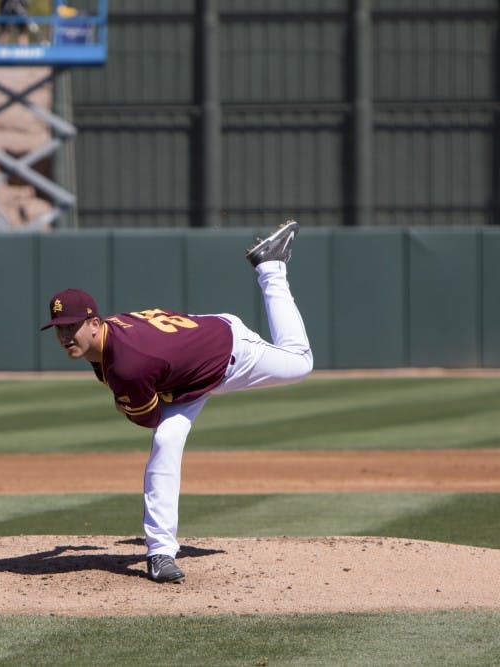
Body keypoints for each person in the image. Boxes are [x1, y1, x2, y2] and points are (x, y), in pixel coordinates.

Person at [41, 220, 312, 583]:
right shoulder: (112, 333)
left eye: (70, 326)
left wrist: (124, 404)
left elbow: (148, 417)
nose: (64, 335)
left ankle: (271, 267)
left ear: (93, 323)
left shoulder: (128, 364)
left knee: (300, 362)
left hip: (228, 352)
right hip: (188, 367)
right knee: (167, 443)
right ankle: (160, 553)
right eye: (58, 327)